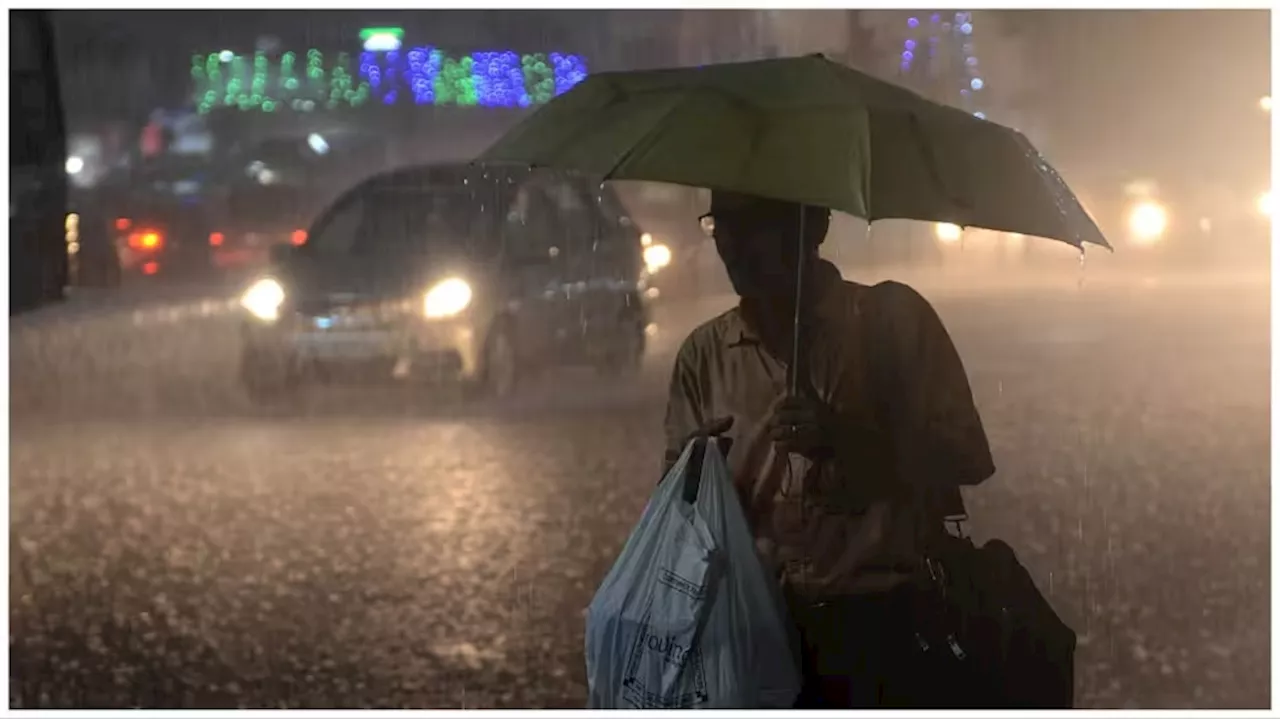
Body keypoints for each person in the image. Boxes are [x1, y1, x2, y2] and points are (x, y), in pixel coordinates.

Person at [661, 190, 996, 708]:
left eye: (753, 223)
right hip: (754, 630)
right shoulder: (704, 355)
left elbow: (967, 454)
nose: (731, 246)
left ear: (812, 226)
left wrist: (844, 439)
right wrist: (694, 478)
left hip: (881, 627)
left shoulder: (890, 323)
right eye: (720, 225)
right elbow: (676, 514)